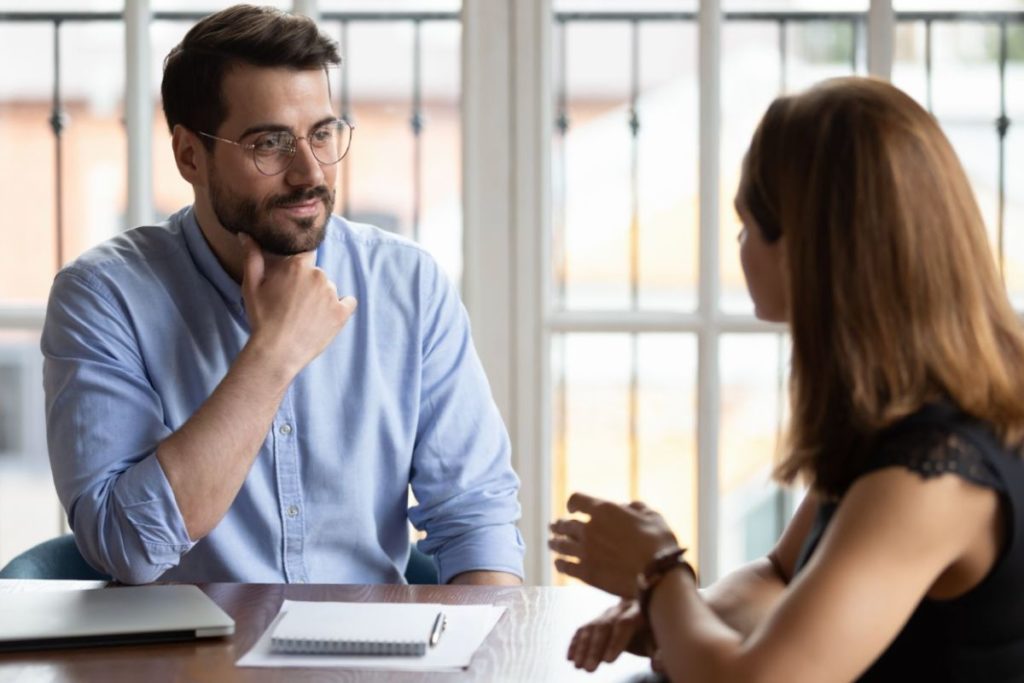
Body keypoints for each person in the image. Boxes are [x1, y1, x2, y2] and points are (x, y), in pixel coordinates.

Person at [549, 76, 1024, 682]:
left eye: (746, 225)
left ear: (808, 248)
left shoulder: (933, 472)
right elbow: (779, 574)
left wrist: (661, 573)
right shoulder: (899, 414)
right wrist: (669, 613)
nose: (739, 247)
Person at [42, 4, 524, 587]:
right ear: (190, 155)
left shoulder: (409, 286)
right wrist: (272, 357)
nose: (310, 172)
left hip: (368, 665)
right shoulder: (102, 297)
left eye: (322, 134)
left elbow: (477, 522)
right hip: (187, 667)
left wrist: (486, 658)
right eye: (269, 143)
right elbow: (126, 547)